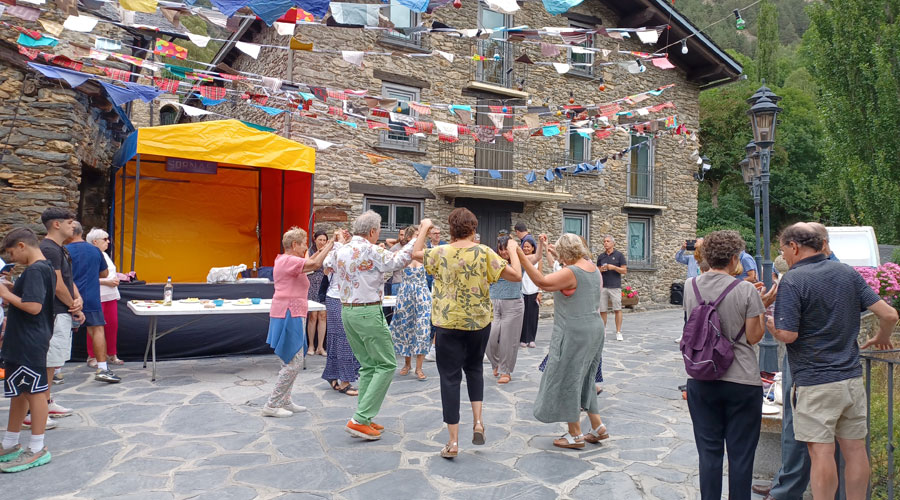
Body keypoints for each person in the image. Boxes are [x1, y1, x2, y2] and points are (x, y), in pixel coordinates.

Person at [767, 223, 897, 500]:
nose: (784, 257)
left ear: (794, 247)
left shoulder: (793, 279)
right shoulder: (847, 272)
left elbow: (789, 335)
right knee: (855, 450)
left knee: (821, 452)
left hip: (815, 382)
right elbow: (889, 314)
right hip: (850, 378)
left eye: (783, 250)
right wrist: (881, 337)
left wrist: (770, 326)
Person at [418, 208, 521, 459]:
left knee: (450, 379)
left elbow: (414, 253)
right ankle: (478, 422)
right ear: (474, 228)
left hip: (447, 323)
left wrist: (423, 228)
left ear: (451, 229)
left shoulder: (440, 252)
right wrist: (515, 251)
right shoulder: (484, 252)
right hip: (478, 323)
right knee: (475, 370)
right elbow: (516, 275)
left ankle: (453, 442)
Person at [683, 230, 776, 500]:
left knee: (709, 453)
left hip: (701, 377)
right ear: (735, 258)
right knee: (741, 455)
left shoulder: (691, 285)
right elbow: (753, 337)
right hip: (741, 379)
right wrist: (761, 305)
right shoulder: (746, 289)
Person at [331, 211, 431, 440]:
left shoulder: (342, 249)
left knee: (368, 365)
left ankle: (363, 417)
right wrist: (422, 231)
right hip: (367, 311)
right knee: (386, 364)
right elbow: (398, 261)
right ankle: (359, 419)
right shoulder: (369, 249)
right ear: (373, 231)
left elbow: (330, 265)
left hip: (348, 310)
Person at [516, 234, 607, 449]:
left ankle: (575, 435)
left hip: (574, 331)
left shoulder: (571, 272)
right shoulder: (591, 268)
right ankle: (597, 426)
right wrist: (550, 248)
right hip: (594, 329)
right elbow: (570, 261)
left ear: (566, 253)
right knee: (586, 378)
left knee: (568, 378)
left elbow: (542, 282)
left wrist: (520, 255)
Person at [0, 228, 56, 472]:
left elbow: (33, 306)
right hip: (27, 338)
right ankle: (10, 443)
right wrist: (13, 291)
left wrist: (4, 293)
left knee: (34, 391)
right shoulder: (44, 268)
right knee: (20, 392)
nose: (11, 259)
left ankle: (37, 447)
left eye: (11, 253)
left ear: (22, 245)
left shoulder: (34, 270)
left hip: (28, 339)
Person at [262, 227, 333, 418]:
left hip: (292, 312)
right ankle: (272, 404)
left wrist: (326, 247)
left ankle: (285, 400)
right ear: (294, 245)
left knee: (295, 360)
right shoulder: (289, 260)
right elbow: (315, 263)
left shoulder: (287, 260)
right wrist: (331, 244)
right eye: (303, 244)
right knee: (292, 363)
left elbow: (312, 259)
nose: (305, 248)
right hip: (288, 313)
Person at [36, 208, 83, 426]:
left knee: (53, 362)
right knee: (47, 362)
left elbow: (67, 278)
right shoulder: (48, 249)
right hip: (54, 312)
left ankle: (46, 401)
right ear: (57, 224)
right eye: (70, 222)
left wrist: (78, 298)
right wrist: (73, 304)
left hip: (62, 310)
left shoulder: (60, 249)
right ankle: (35, 410)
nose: (73, 225)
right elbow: (56, 283)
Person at [67, 223, 119, 384]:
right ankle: (102, 367)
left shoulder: (64, 251)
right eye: (105, 239)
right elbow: (103, 273)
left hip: (69, 295)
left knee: (62, 331)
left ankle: (56, 371)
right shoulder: (95, 251)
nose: (108, 241)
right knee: (97, 329)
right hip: (91, 295)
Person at [320, 229, 359, 397]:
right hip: (336, 297)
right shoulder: (335, 253)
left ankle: (332, 375)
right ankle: (344, 381)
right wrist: (337, 244)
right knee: (342, 338)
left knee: (343, 337)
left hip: (347, 298)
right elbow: (326, 268)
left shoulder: (351, 251)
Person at [389, 225, 431, 381]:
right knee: (406, 328)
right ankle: (407, 364)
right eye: (416, 235)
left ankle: (419, 367)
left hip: (421, 293)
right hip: (406, 293)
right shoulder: (403, 254)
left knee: (422, 328)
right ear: (409, 238)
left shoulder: (426, 253)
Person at [487, 236, 525, 385]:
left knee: (508, 340)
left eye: (506, 249)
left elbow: (535, 258)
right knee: (489, 338)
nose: (503, 252)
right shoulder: (494, 261)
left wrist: (540, 245)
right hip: (494, 303)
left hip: (513, 304)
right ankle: (496, 363)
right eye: (501, 249)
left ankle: (505, 370)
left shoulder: (518, 260)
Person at [85, 229, 122, 367]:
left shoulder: (105, 255)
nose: (108, 242)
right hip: (97, 295)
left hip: (110, 295)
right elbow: (87, 276)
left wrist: (116, 278)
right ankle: (92, 356)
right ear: (95, 242)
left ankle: (112, 354)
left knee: (112, 325)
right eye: (105, 239)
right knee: (95, 326)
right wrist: (106, 282)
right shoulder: (90, 255)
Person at [596, 235, 627, 341]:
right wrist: (601, 269)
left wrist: (613, 267)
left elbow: (624, 270)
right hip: (603, 286)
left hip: (615, 286)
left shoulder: (619, 255)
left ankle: (618, 332)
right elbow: (597, 269)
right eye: (604, 241)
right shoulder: (601, 256)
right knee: (602, 310)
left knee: (617, 309)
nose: (605, 243)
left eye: (608, 241)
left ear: (613, 243)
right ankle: (602, 331)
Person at [306, 230, 329, 356]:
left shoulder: (329, 253)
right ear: (315, 240)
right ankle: (311, 345)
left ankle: (320, 346)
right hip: (312, 284)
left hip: (324, 284)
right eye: (320, 240)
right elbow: (309, 263)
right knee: (313, 315)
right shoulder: (310, 252)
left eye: (324, 240)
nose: (322, 242)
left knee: (323, 315)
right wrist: (319, 252)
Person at [519, 238, 543, 348]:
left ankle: (531, 338)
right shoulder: (519, 259)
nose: (526, 248)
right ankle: (523, 339)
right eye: (524, 246)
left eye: (528, 246)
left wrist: (540, 291)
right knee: (523, 316)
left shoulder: (538, 260)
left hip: (533, 290)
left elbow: (540, 275)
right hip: (523, 290)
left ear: (533, 248)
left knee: (533, 316)